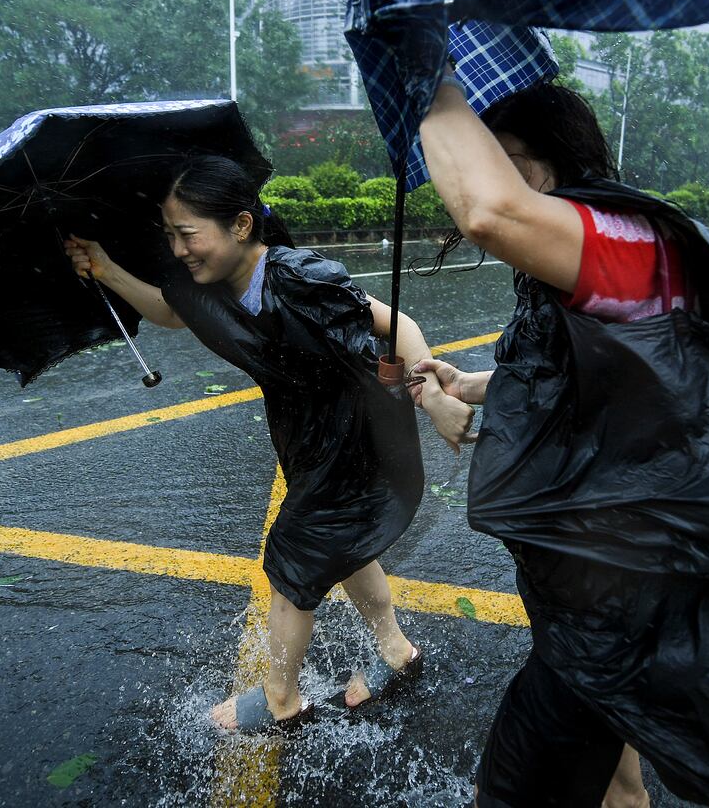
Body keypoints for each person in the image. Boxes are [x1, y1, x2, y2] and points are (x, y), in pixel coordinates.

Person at [411, 77, 709, 807]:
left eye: (508, 160)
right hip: (592, 577)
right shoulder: (578, 252)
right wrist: (473, 384)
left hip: (627, 595)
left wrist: (425, 76)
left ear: (554, 159)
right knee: (610, 763)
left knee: (518, 785)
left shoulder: (622, 240)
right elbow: (581, 365)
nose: (490, 181)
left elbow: (488, 212)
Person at [63, 155, 475, 733]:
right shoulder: (208, 285)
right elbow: (171, 309)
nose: (179, 250)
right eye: (170, 236)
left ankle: (281, 698)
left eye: (187, 234)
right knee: (345, 542)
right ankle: (395, 650)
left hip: (360, 432)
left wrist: (429, 397)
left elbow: (398, 326)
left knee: (296, 553)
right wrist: (104, 268)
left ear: (240, 226)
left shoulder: (298, 276)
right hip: (305, 434)